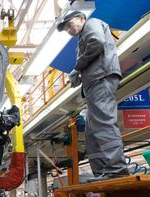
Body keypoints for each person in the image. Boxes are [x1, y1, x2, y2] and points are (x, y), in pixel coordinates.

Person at [57, 11, 130, 180]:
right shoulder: (82, 35)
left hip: (101, 79)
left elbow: (96, 42)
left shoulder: (92, 23)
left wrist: (78, 67)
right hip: (93, 84)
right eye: (66, 29)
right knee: (92, 132)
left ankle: (116, 170)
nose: (69, 30)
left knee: (103, 124)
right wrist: (81, 75)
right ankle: (102, 171)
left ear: (82, 18)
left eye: (70, 25)